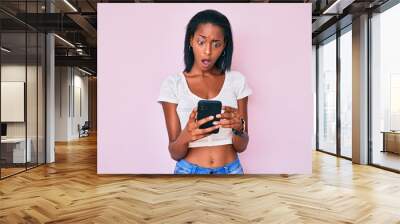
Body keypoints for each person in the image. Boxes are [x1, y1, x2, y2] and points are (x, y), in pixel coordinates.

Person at [157, 9, 252, 174]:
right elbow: (174, 152)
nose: (208, 51)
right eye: (201, 42)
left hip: (232, 170)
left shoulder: (237, 81)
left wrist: (238, 129)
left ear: (224, 46)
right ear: (191, 40)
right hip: (188, 171)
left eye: (216, 44)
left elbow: (241, 146)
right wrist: (186, 134)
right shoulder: (173, 84)